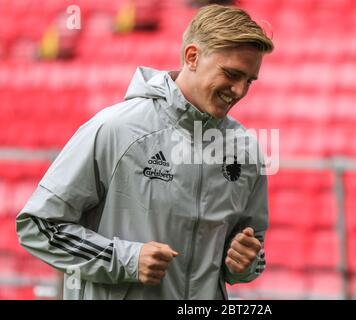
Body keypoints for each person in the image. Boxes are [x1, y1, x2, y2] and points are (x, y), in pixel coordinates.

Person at [16, 4, 274, 299]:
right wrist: (125, 259)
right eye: (231, 74)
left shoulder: (245, 149)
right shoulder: (115, 128)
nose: (239, 91)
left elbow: (253, 250)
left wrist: (244, 262)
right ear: (192, 57)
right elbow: (38, 226)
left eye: (249, 81)